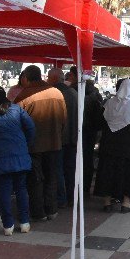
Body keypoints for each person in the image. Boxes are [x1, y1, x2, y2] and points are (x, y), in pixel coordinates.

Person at [14, 65, 67, 221]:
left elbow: (16, 121)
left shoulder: (24, 95)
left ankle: (38, 212)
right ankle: (51, 209)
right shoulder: (57, 93)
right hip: (54, 142)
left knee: (35, 179)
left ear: (25, 78)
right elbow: (64, 119)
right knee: (52, 177)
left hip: (33, 145)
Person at [0, 85, 35, 236]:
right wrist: (25, 143)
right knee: (21, 189)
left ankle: (8, 225)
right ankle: (25, 222)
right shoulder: (17, 109)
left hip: (1, 155)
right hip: (20, 153)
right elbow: (31, 128)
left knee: (4, 190)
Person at [93, 79, 130, 213]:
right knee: (127, 174)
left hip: (108, 144)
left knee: (107, 173)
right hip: (128, 147)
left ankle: (107, 202)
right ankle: (125, 203)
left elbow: (100, 122)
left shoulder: (109, 103)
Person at [47, 68, 78, 208]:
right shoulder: (73, 92)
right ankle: (71, 197)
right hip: (73, 137)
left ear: (53, 78)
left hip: (58, 138)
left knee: (57, 170)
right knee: (70, 169)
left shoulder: (53, 94)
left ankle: (61, 198)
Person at [83, 80, 103, 195]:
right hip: (92, 133)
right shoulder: (96, 97)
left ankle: (84, 188)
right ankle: (86, 188)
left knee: (85, 161)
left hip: (86, 132)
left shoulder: (87, 98)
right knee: (88, 161)